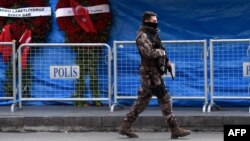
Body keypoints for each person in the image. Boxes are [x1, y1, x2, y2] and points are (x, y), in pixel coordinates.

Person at [118, 11, 191, 139]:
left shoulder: (153, 34)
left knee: (142, 101)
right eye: (153, 21)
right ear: (146, 21)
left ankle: (125, 126)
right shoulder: (142, 36)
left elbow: (161, 48)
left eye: (156, 20)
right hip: (150, 75)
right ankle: (175, 129)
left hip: (154, 73)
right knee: (164, 99)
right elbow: (149, 53)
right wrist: (161, 52)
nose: (155, 23)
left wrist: (166, 61)